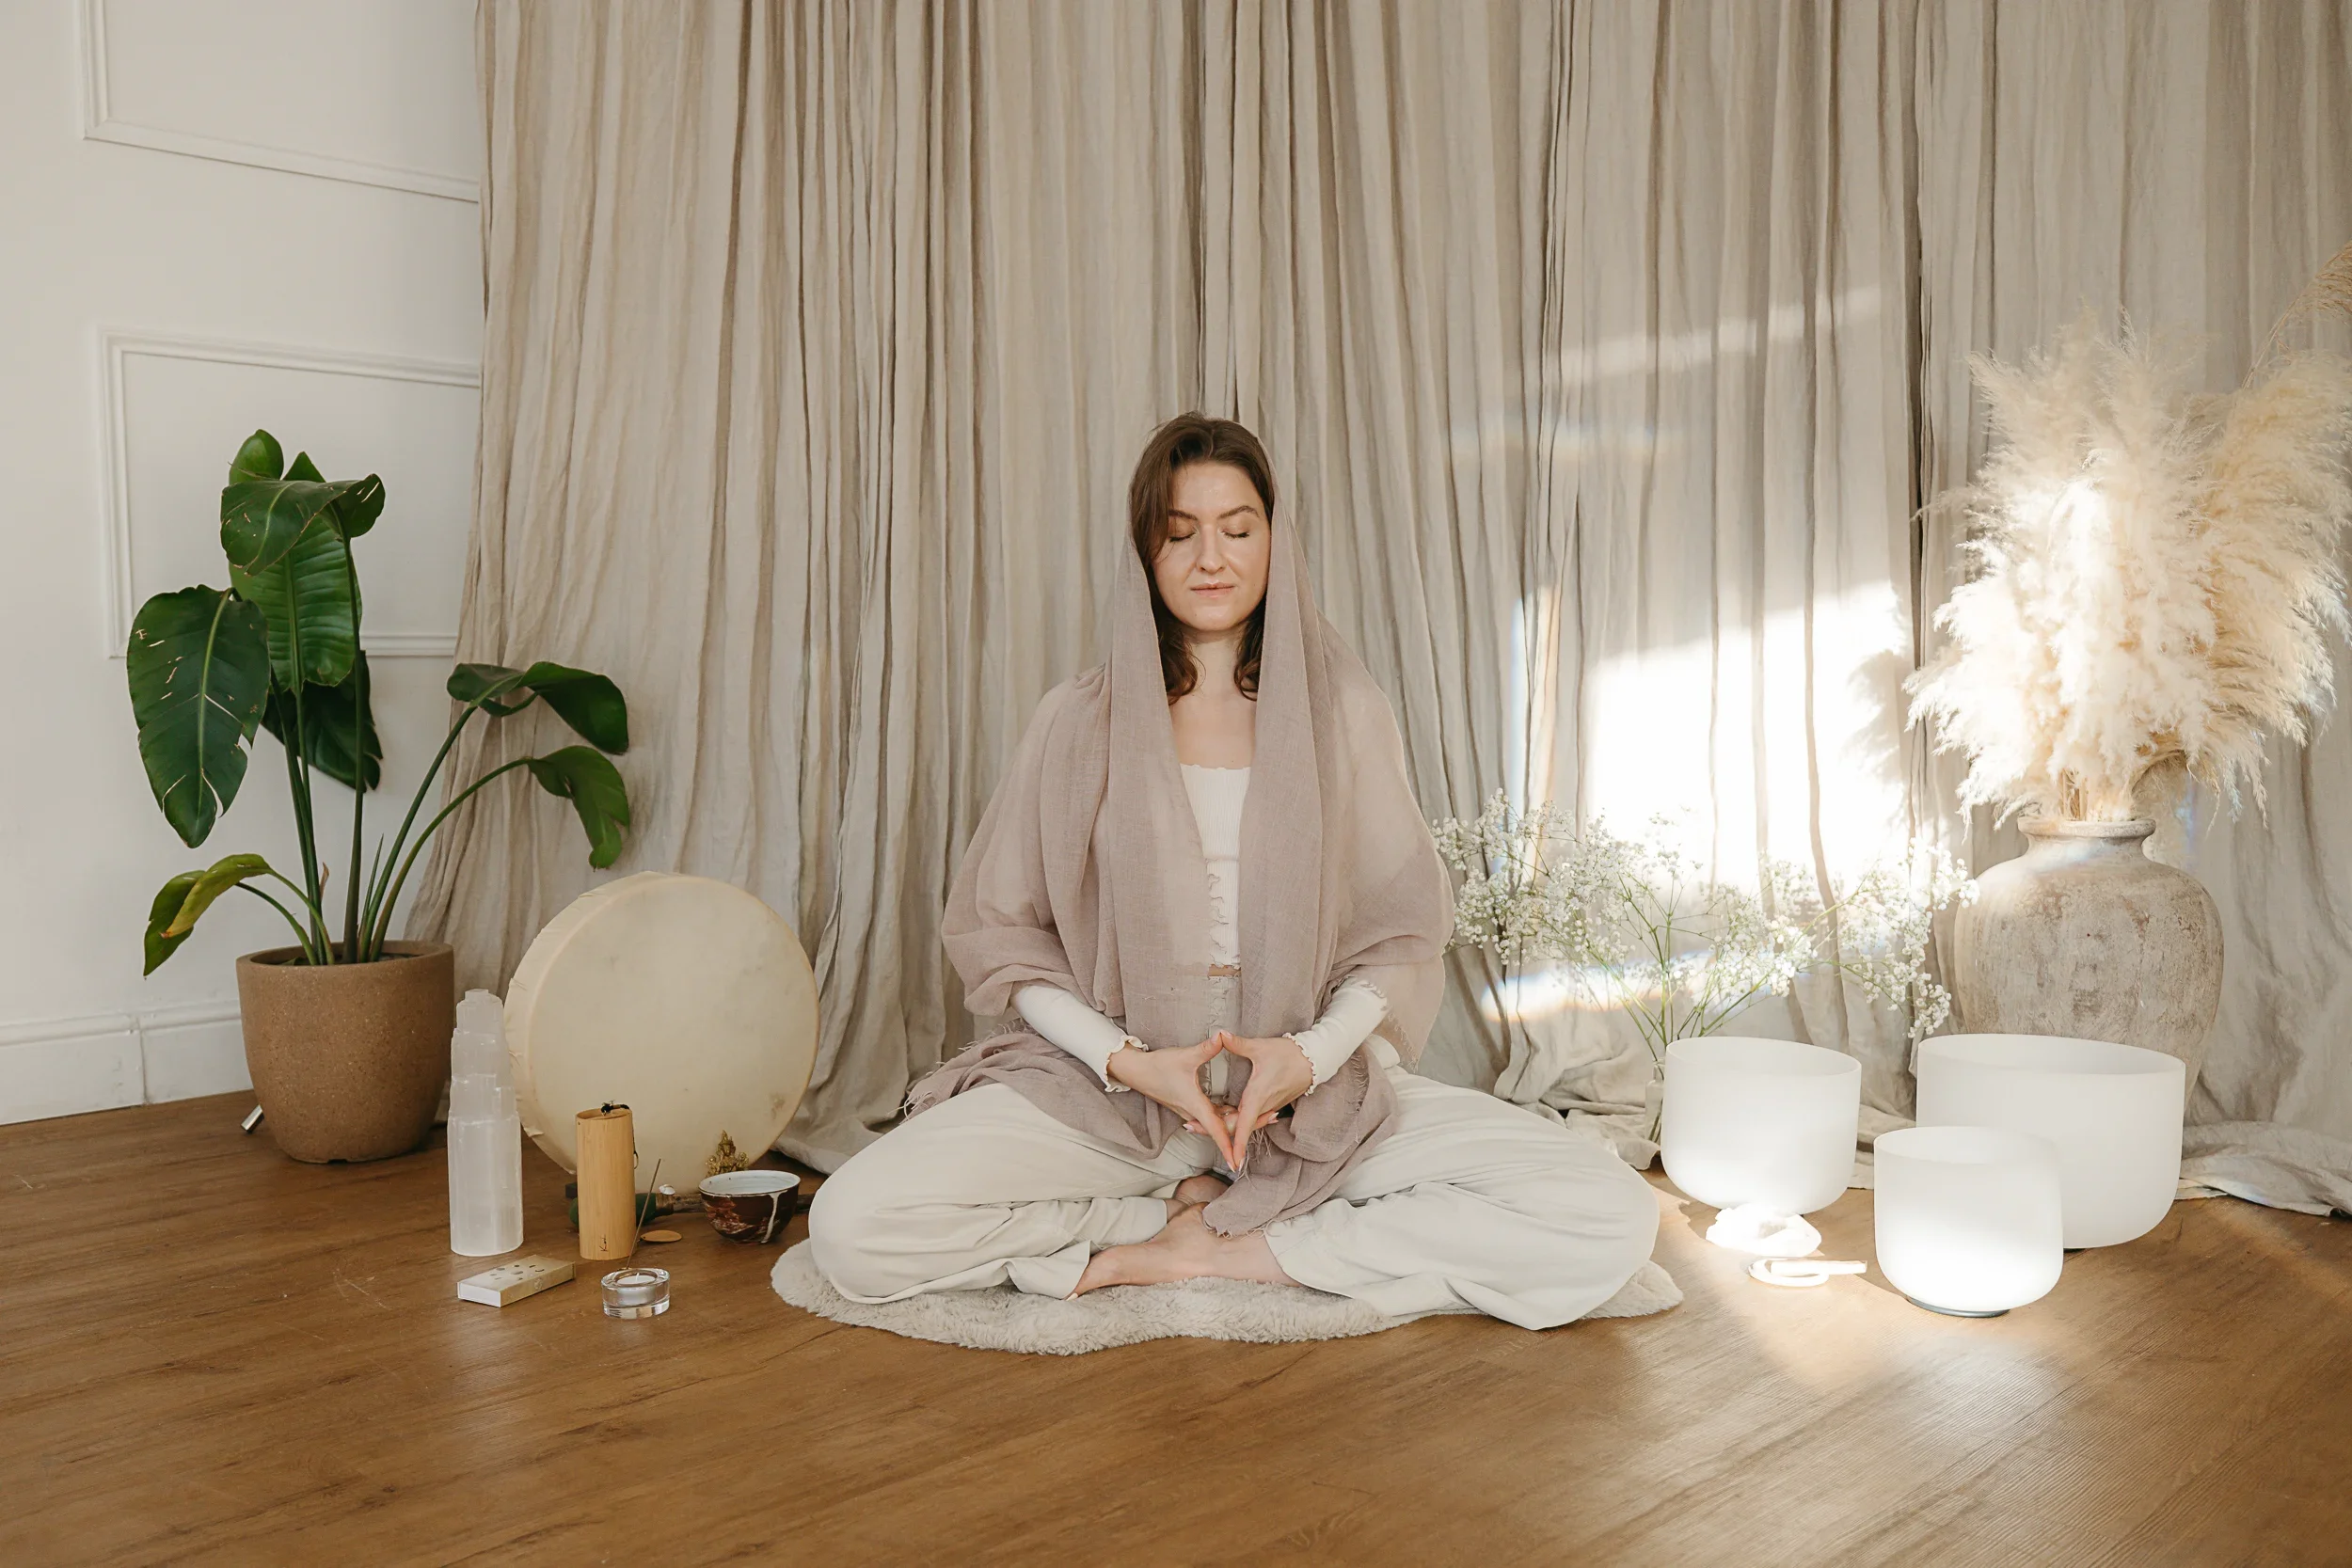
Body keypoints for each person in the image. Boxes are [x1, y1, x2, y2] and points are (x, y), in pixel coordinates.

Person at [807, 414, 1658, 1328]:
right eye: (1180, 532)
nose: (1210, 556)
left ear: (1273, 540)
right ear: (1146, 550)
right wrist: (1132, 1062)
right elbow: (1008, 939)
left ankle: (1246, 1246)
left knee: (1606, 1212)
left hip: (1305, 1090)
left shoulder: (1344, 714)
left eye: (1238, 527)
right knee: (853, 1220)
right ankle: (1148, 1217)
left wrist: (1307, 1056)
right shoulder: (1075, 722)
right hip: (1113, 1092)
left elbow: (1400, 930)